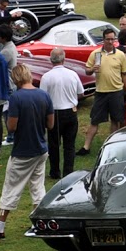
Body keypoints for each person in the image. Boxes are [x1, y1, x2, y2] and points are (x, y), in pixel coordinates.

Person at [0, 64, 53, 238]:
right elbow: (50, 124)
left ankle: (0, 228)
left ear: (15, 78)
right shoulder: (44, 95)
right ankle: (38, 223)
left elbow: (11, 127)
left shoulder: (17, 98)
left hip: (23, 151)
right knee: (38, 188)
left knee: (11, 188)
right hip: (41, 149)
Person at [82, 28, 126, 154]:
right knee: (95, 120)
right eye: (108, 39)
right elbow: (87, 70)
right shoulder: (96, 54)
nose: (110, 42)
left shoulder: (120, 55)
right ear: (103, 40)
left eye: (112, 39)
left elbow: (125, 74)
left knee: (115, 120)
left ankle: (111, 146)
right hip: (101, 92)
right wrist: (92, 68)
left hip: (116, 91)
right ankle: (86, 147)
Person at [40, 48, 83, 177]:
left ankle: (55, 171)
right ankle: (68, 171)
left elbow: (43, 97)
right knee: (69, 144)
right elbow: (80, 92)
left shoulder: (46, 77)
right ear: (64, 59)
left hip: (54, 113)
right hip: (70, 111)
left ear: (51, 60)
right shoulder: (72, 74)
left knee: (54, 144)